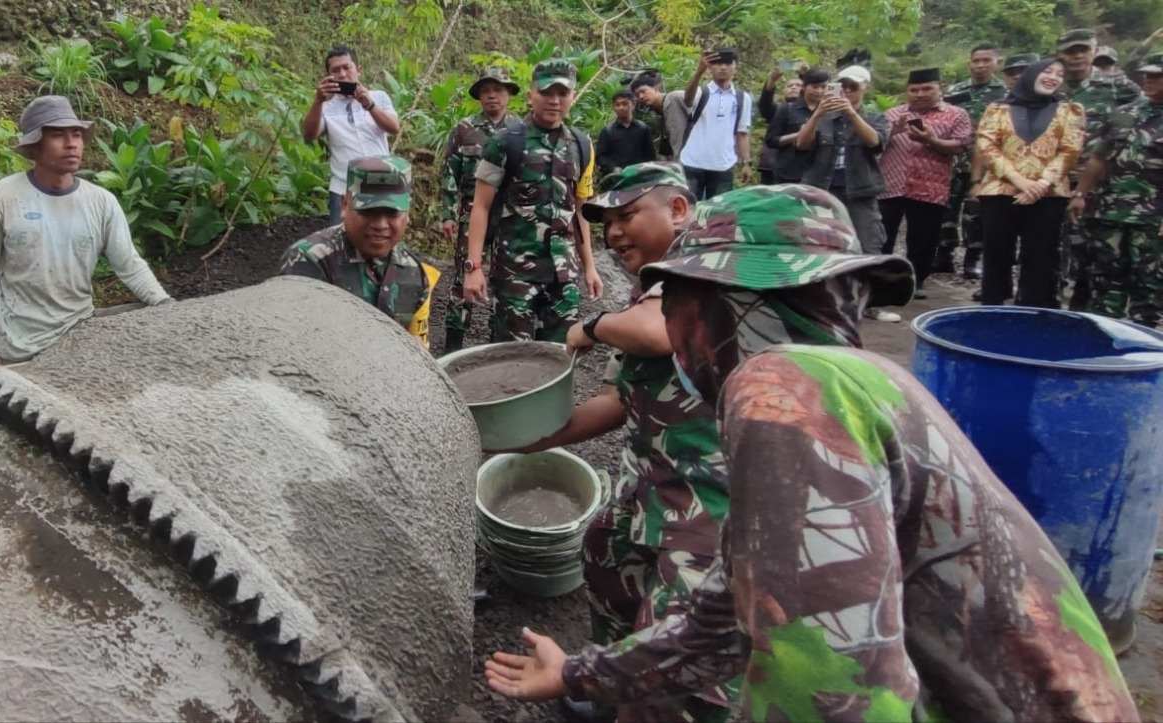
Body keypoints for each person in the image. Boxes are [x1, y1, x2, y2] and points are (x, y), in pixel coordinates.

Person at [482, 184, 1140, 723]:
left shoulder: (782, 395)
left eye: (679, 299)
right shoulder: (850, 380)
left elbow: (835, 690)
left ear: (715, 306)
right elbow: (725, 614)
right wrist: (581, 673)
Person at [512, 162, 738, 723]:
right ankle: (607, 691)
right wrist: (519, 441)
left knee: (678, 644)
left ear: (679, 210)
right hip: (649, 486)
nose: (612, 233)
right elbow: (616, 400)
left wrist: (590, 326)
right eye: (605, 222)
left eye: (628, 214)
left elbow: (657, 333)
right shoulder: (648, 291)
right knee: (606, 556)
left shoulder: (712, 272)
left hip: (709, 502)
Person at [0, 95, 171, 365]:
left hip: (81, 339)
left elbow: (129, 265)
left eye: (76, 134)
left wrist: (166, 306)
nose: (71, 144)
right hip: (20, 347)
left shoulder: (101, 202)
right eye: (57, 135)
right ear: (34, 146)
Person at [462, 59, 603, 343]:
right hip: (515, 273)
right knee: (512, 358)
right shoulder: (504, 143)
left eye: (562, 94)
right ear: (531, 96)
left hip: (564, 273)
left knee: (561, 355)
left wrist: (590, 266)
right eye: (546, 93)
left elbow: (580, 210)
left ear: (572, 97)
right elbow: (481, 206)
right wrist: (474, 268)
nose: (554, 101)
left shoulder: (581, 145)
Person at [279, 156, 439, 348]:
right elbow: (289, 347)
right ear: (345, 204)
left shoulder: (413, 273)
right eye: (368, 212)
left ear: (407, 213)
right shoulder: (309, 262)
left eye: (391, 213)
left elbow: (418, 352)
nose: (380, 225)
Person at [975, 59, 1085, 308]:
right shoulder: (997, 109)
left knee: (1040, 255)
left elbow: (1070, 150)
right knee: (996, 252)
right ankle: (992, 308)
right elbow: (987, 146)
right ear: (1031, 74)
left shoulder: (1070, 110)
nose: (1053, 77)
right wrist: (1020, 181)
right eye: (1047, 71)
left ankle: (1033, 310)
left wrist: (1042, 183)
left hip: (1049, 194)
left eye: (1059, 74)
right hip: (1000, 190)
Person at [793, 65, 897, 322]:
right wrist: (817, 115)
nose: (847, 91)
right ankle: (816, 301)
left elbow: (874, 142)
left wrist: (851, 113)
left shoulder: (875, 117)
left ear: (865, 88)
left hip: (860, 190)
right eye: (844, 86)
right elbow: (801, 144)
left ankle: (870, 304)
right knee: (815, 243)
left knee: (869, 243)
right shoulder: (823, 117)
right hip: (822, 189)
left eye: (854, 87)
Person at [1071, 53, 1163, 326]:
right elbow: (1099, 157)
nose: (1148, 80)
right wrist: (1080, 194)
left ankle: (1141, 344)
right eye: (1147, 74)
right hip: (1109, 210)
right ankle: (1103, 338)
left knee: (1149, 281)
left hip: (1152, 218)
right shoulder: (1125, 112)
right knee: (1105, 276)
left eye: (1157, 76)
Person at [438, 67, 523, 352]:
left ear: (508, 93)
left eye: (497, 90)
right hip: (470, 212)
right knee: (465, 276)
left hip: (509, 216)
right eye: (486, 91)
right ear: (479, 97)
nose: (492, 96)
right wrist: (448, 214)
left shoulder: (520, 130)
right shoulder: (464, 129)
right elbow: (449, 171)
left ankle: (496, 344)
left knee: (505, 277)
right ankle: (453, 346)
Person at [1056, 29, 1142, 310]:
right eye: (1071, 51)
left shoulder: (1118, 88)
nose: (1077, 56)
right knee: (1052, 248)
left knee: (1094, 252)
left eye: (1083, 49)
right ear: (1060, 54)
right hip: (1052, 181)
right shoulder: (1050, 86)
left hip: (1097, 184)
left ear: (1093, 51)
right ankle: (1050, 308)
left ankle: (1085, 312)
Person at [878, 67, 972, 298]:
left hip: (930, 185)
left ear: (940, 87)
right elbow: (874, 144)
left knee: (924, 237)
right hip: (891, 183)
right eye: (914, 89)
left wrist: (931, 140)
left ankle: (916, 281)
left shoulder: (956, 114)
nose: (920, 94)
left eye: (926, 88)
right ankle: (880, 280)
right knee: (883, 234)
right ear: (907, 91)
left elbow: (961, 145)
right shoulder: (891, 115)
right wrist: (892, 132)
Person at [301, 45, 400, 225]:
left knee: (381, 240)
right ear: (328, 75)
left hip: (380, 182)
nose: (342, 74)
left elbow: (394, 127)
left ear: (358, 70)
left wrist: (369, 105)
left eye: (347, 67)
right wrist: (317, 101)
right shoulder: (325, 106)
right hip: (343, 188)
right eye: (335, 70)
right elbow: (308, 135)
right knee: (340, 243)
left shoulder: (379, 97)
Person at [935, 43, 1007, 279]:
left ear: (997, 63)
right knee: (946, 210)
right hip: (953, 161)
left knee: (977, 214)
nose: (980, 65)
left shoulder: (1005, 94)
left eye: (986, 60)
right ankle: (943, 255)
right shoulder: (956, 92)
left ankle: (973, 259)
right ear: (969, 63)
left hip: (986, 164)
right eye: (976, 61)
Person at [679, 48, 753, 199]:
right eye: (718, 63)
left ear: (735, 66)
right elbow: (687, 100)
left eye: (727, 63)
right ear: (710, 67)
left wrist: (746, 163)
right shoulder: (700, 92)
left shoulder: (742, 98)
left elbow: (742, 133)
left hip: (723, 165)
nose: (723, 67)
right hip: (693, 162)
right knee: (690, 211)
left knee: (720, 214)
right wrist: (699, 72)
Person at [765, 67, 830, 184]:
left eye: (823, 87)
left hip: (819, 176)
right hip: (789, 174)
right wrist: (799, 135)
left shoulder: (830, 112)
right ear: (804, 87)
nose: (819, 91)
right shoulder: (787, 109)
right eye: (815, 87)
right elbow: (771, 140)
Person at [756, 65, 803, 184]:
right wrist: (772, 80)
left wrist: (805, 75)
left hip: (802, 169)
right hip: (773, 167)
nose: (794, 87)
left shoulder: (814, 112)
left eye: (798, 85)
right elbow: (764, 105)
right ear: (783, 91)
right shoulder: (777, 110)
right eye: (790, 85)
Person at [596, 90, 656, 177]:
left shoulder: (643, 128)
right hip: (616, 178)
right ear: (613, 107)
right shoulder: (607, 131)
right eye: (617, 105)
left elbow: (650, 155)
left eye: (625, 104)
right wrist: (613, 168)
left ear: (633, 105)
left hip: (640, 176)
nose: (621, 107)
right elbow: (600, 157)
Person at [630, 72, 689, 160]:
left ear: (656, 88)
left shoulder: (674, 99)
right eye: (637, 95)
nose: (641, 96)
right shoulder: (660, 112)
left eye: (643, 91)